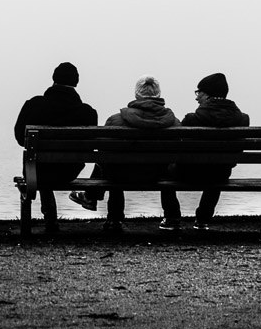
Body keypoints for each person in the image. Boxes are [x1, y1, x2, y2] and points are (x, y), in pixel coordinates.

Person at [68, 75, 182, 232]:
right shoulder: (174, 123)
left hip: (121, 175)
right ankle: (172, 218)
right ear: (158, 95)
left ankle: (113, 219)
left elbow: (102, 153)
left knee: (113, 162)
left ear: (137, 95)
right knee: (164, 166)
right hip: (158, 175)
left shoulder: (116, 121)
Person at [14, 62, 99, 234]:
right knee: (48, 165)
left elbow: (19, 138)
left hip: (37, 171)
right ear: (76, 82)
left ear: (53, 79)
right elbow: (92, 144)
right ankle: (51, 220)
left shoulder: (34, 105)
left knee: (40, 164)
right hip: (69, 171)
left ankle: (50, 220)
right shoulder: (88, 112)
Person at [161, 72, 250, 230]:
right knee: (218, 169)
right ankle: (203, 219)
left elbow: (177, 148)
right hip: (221, 174)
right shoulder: (243, 119)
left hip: (188, 173)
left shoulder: (191, 119)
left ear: (208, 95)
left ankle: (172, 217)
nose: (196, 97)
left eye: (199, 92)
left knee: (163, 170)